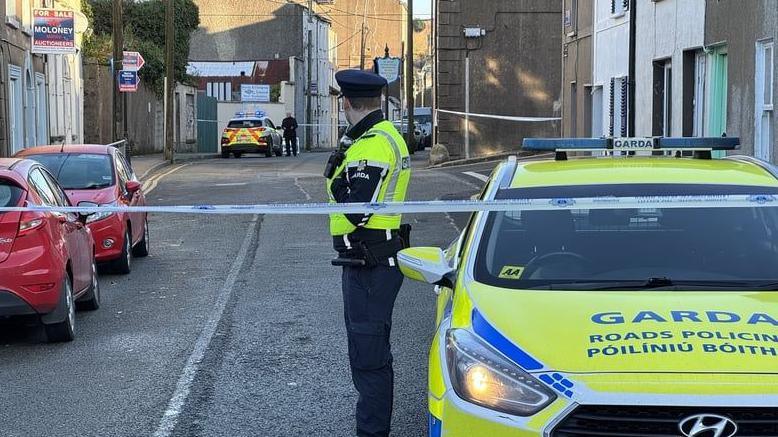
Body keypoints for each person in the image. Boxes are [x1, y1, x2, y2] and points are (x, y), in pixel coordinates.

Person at [324, 69, 411, 437]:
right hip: (368, 260)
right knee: (370, 353)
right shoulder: (374, 137)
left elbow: (355, 209)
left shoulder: (373, 143)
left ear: (346, 102)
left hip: (371, 263)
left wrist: (335, 177)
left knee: (369, 358)